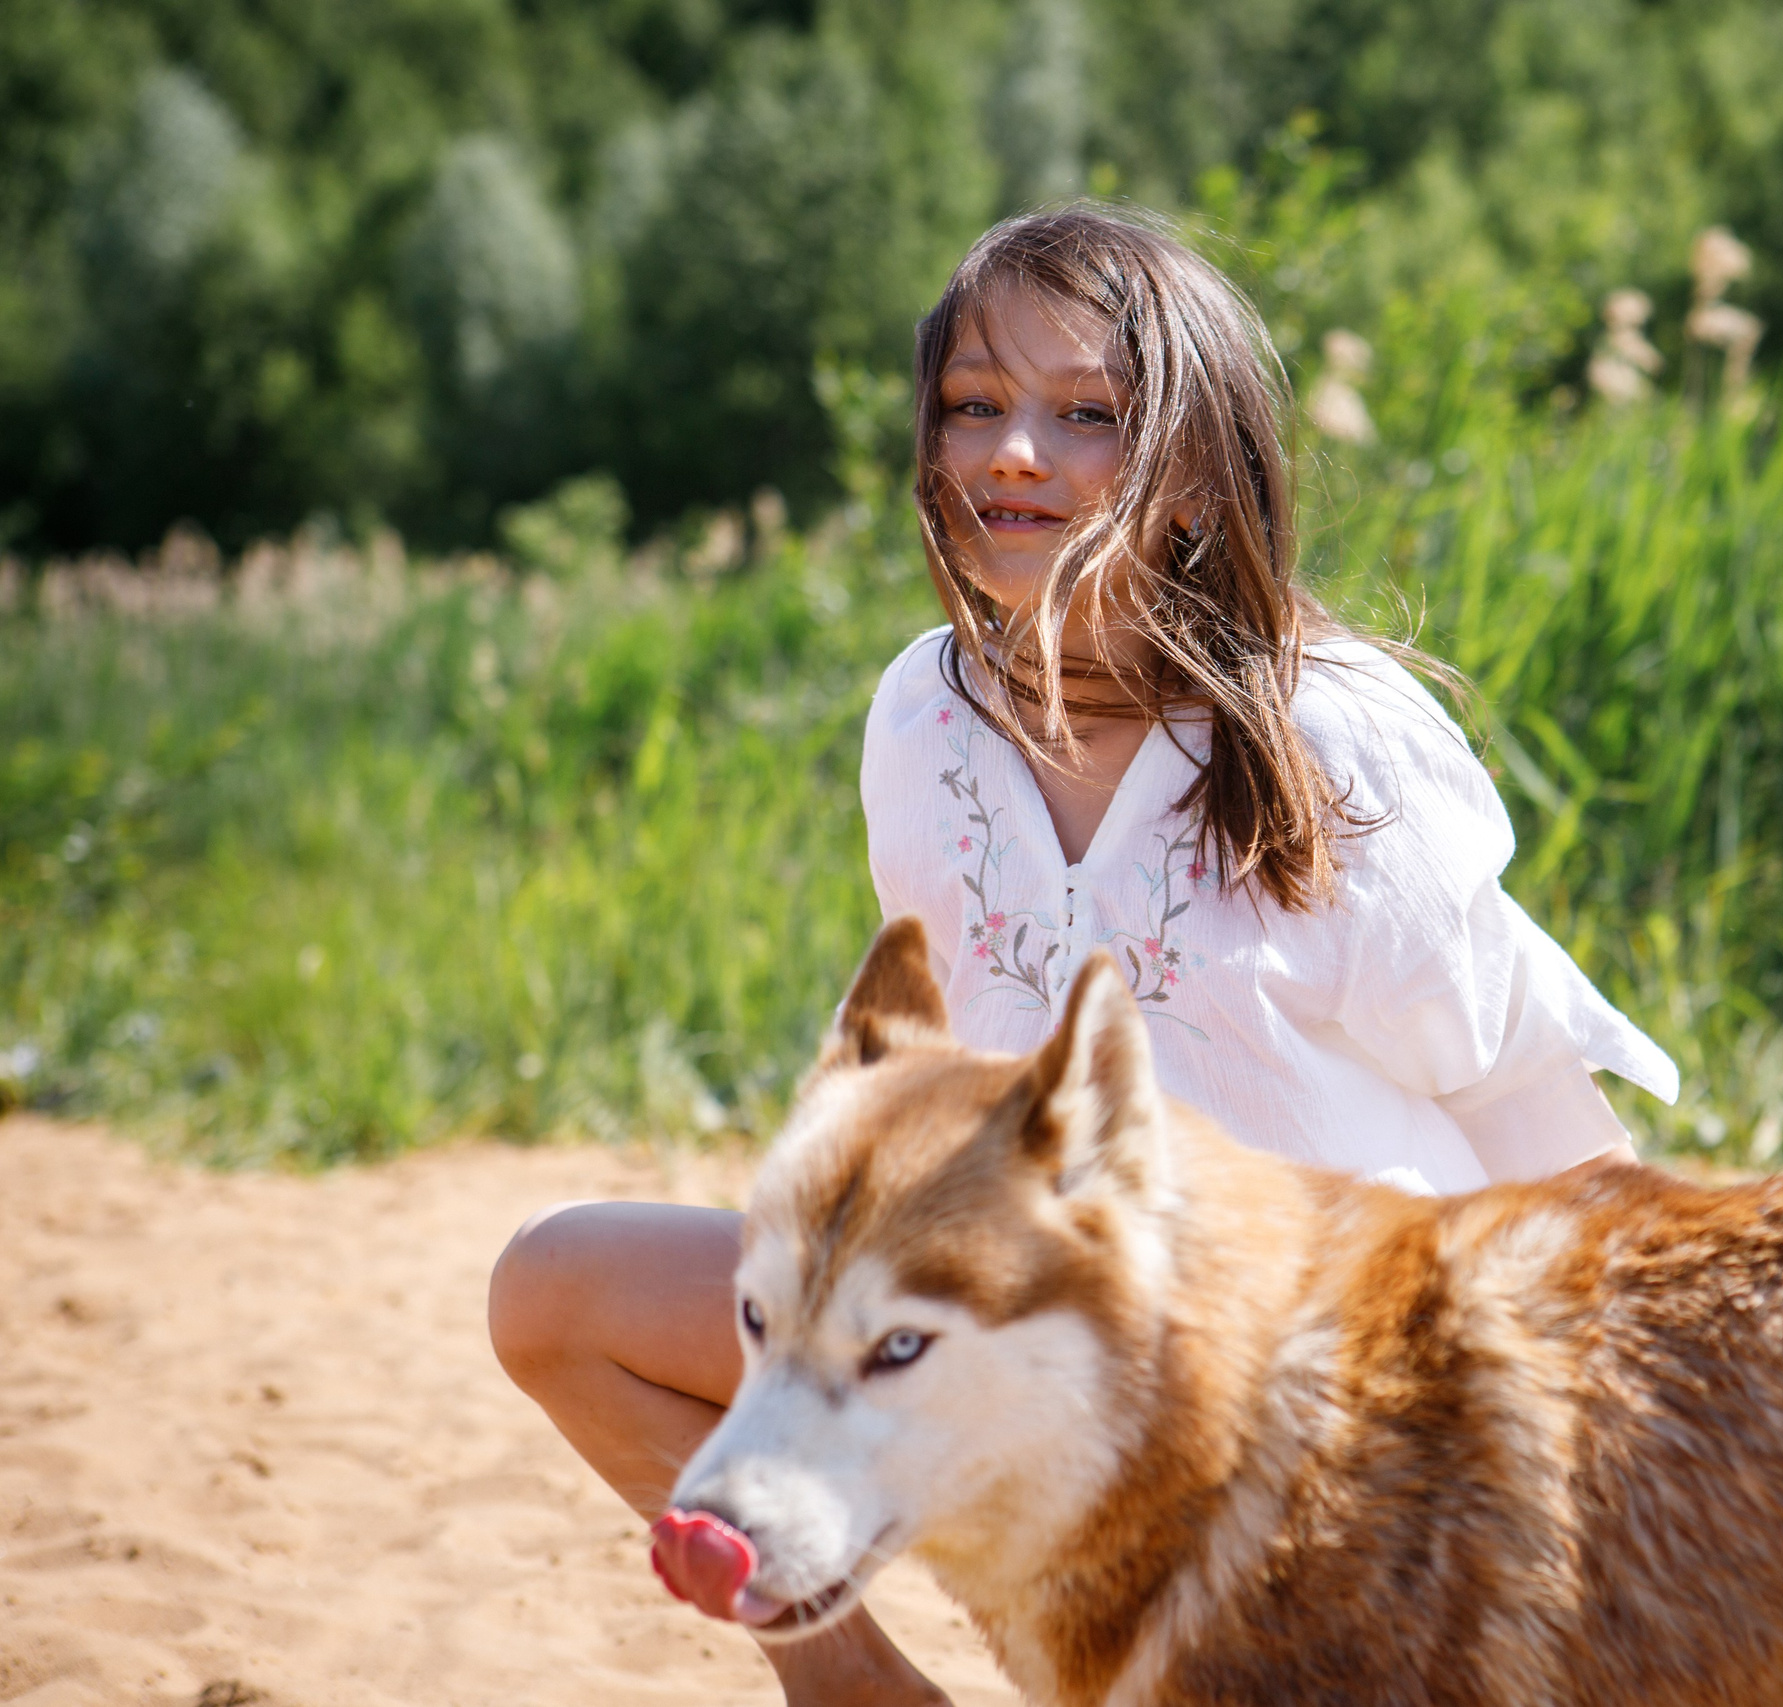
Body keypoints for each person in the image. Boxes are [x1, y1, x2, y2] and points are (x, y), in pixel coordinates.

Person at [486, 207, 1677, 1706]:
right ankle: (855, 1694)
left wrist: (1678, 1414)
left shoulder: (1331, 745)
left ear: (1195, 478)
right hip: (1046, 1365)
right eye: (975, 407)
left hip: (1339, 1427)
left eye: (1088, 416)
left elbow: (1530, 1106)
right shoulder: (923, 717)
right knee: (557, 1290)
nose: (1014, 454)